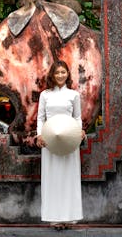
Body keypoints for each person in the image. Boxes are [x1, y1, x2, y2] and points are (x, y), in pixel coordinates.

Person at [36, 60, 87, 230]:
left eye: (63, 72)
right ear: (52, 75)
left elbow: (78, 117)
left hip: (69, 141)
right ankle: (54, 218)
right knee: (52, 178)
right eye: (57, 72)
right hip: (50, 141)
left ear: (67, 74)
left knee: (68, 178)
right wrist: (39, 135)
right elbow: (41, 118)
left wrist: (79, 132)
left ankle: (69, 217)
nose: (60, 75)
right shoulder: (45, 95)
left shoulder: (73, 95)